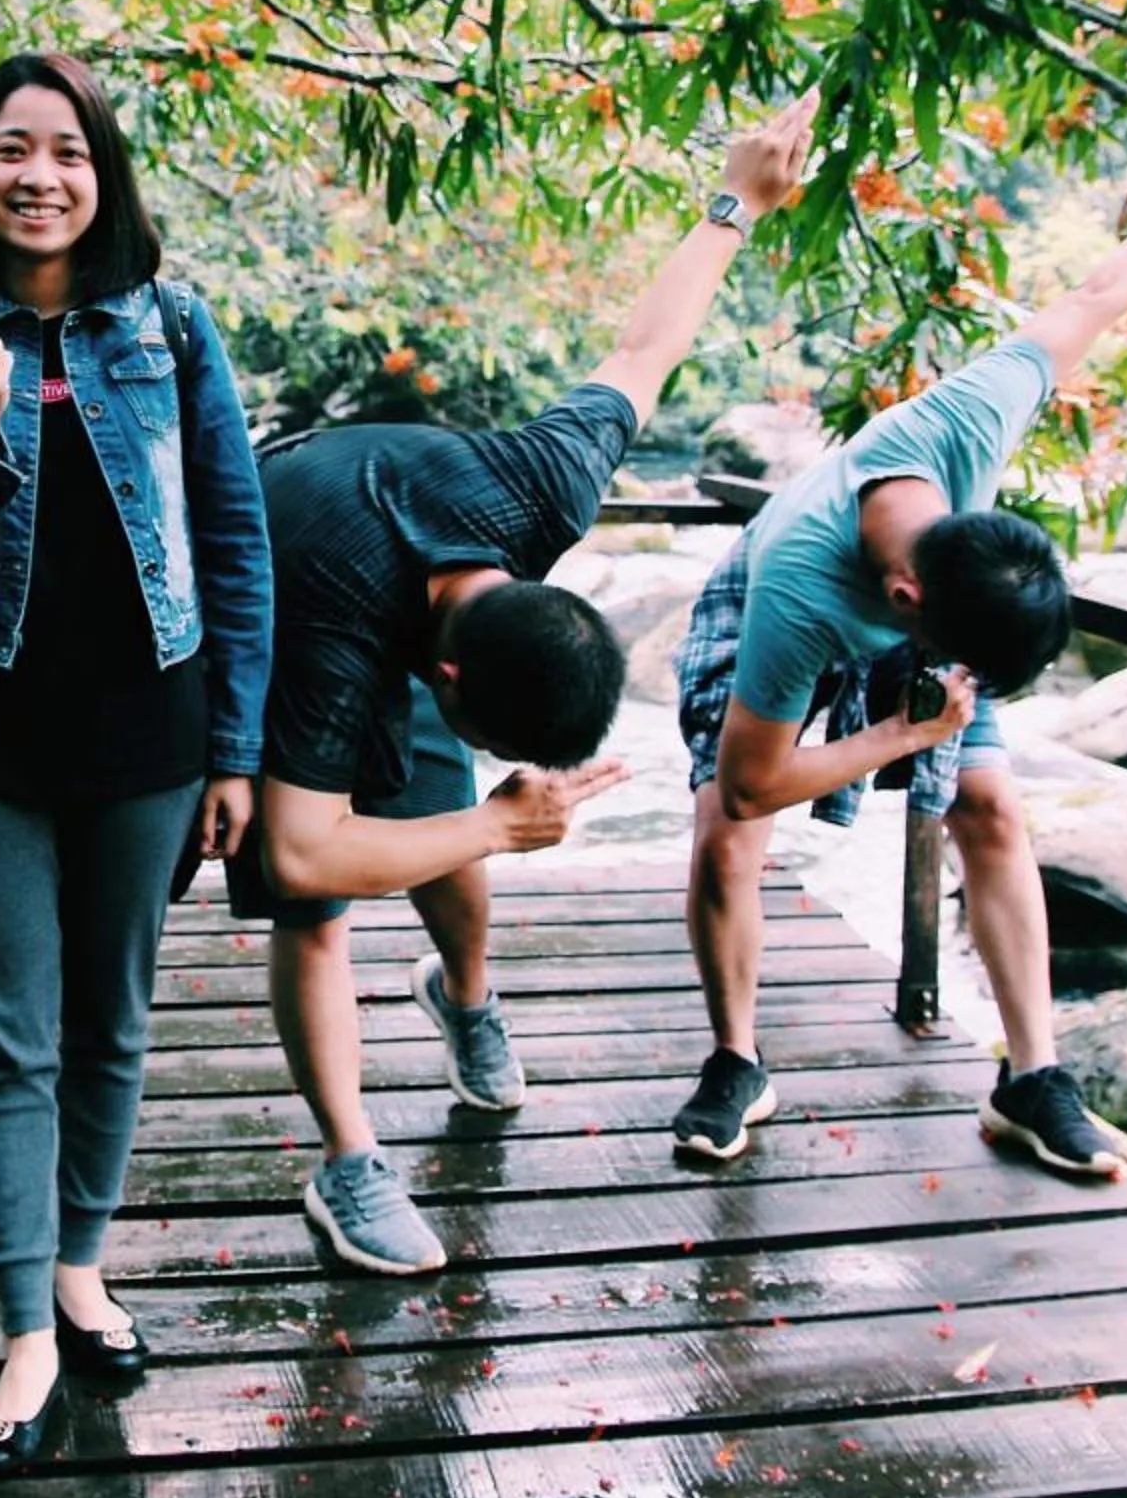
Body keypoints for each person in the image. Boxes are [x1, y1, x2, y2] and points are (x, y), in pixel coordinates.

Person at [233, 92, 825, 1276]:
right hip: (276, 586)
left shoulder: (539, 489)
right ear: (443, 673)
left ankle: (464, 992)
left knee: (446, 829)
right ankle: (349, 1159)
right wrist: (501, 824)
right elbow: (303, 852)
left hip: (400, 590)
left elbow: (644, 349)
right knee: (312, 901)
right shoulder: (332, 634)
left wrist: (739, 200)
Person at [669, 111, 1127, 1175]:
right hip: (773, 602)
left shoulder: (969, 426)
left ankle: (1030, 1075)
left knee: (992, 800)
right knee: (728, 831)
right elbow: (750, 784)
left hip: (927, 625)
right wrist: (893, 735)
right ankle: (735, 1056)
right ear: (911, 596)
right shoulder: (800, 594)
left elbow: (1098, 296)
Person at [0, 53, 272, 1475]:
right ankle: (27, 1326)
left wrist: (238, 747)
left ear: (105, 177)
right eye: (12, 149)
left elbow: (233, 539)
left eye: (70, 151)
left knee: (116, 1021)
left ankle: (83, 1264)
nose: (41, 175)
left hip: (151, 735)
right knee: (9, 1038)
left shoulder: (174, 329)